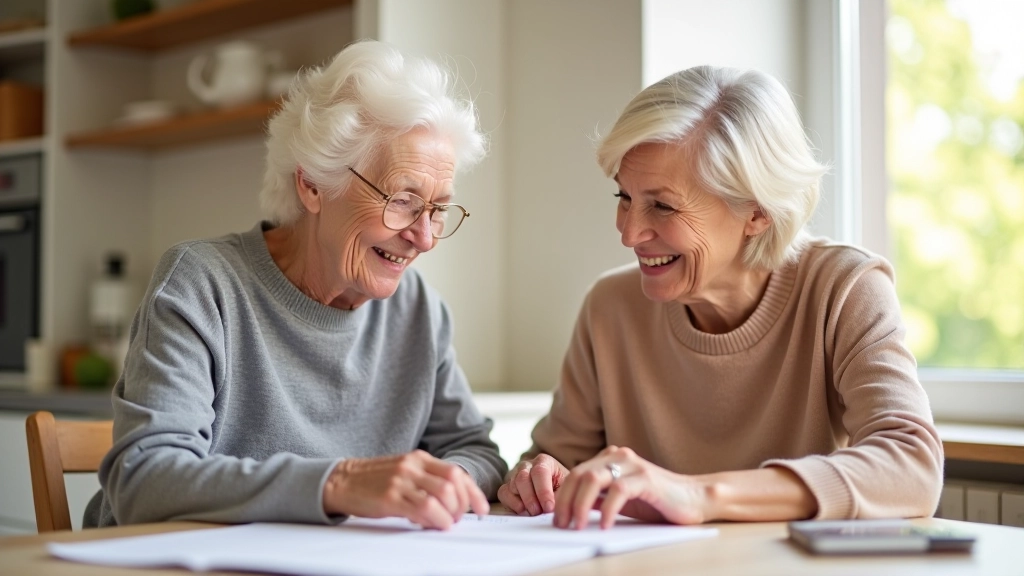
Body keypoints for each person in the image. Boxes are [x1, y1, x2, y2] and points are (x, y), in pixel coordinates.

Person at [84, 40, 507, 530]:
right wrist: (341, 484)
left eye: (437, 209)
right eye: (404, 200)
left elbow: (477, 451)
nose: (425, 237)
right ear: (312, 185)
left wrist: (437, 483)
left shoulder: (417, 311)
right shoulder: (203, 285)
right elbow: (145, 480)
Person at [498, 65, 943, 530]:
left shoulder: (845, 288)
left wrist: (698, 495)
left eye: (663, 205)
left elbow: (912, 468)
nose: (629, 233)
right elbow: (551, 462)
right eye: (624, 196)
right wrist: (537, 477)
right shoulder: (609, 308)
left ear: (758, 212)